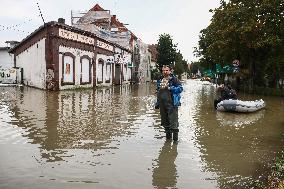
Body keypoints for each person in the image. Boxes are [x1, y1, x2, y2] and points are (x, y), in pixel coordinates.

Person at [155, 65, 183, 142]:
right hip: (162, 104)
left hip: (172, 103)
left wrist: (171, 88)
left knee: (174, 122)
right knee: (165, 122)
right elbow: (158, 90)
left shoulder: (174, 79)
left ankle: (175, 142)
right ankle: (168, 140)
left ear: (170, 71)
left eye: (166, 70)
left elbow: (180, 88)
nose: (165, 72)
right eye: (163, 70)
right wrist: (157, 102)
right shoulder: (160, 79)